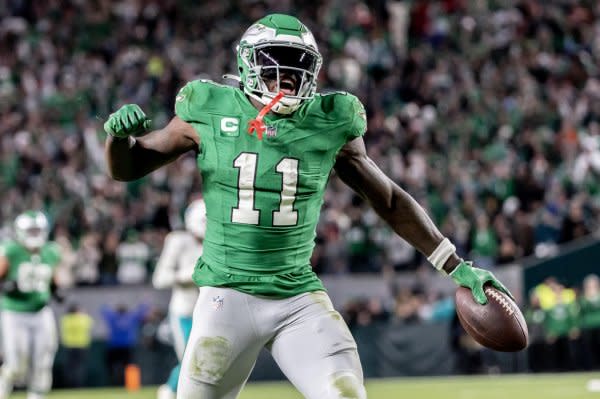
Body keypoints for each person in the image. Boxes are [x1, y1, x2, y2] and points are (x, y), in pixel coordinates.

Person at [104, 13, 512, 399]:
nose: (287, 78)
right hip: (225, 297)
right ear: (248, 65)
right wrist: (118, 141)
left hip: (296, 299)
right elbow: (129, 168)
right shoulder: (210, 108)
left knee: (345, 393)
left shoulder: (330, 120)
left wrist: (455, 265)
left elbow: (387, 198)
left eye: (297, 66)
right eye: (275, 65)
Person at [0, 211, 64, 399]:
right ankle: (3, 384)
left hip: (41, 311)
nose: (35, 235)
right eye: (31, 230)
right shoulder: (11, 250)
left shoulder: (51, 251)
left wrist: (56, 289)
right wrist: (6, 286)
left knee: (44, 362)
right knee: (16, 365)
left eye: (38, 230)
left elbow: (53, 278)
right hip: (15, 312)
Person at [152, 199, 206, 399]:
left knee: (205, 361)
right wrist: (187, 275)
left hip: (209, 312)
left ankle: (170, 390)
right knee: (190, 360)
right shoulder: (178, 240)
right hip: (184, 311)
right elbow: (160, 279)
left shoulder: (216, 242)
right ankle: (169, 391)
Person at [100, 302, 149, 386]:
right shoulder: (131, 317)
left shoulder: (113, 317)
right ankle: (127, 383)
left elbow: (103, 310)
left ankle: (114, 382)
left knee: (111, 366)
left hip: (113, 346)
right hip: (127, 346)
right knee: (128, 366)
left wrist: (105, 302)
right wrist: (145, 301)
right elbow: (142, 311)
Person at [59, 303, 94, 387]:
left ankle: (69, 384)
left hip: (69, 346)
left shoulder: (65, 319)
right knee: (80, 367)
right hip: (81, 345)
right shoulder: (83, 319)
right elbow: (90, 322)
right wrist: (83, 314)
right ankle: (78, 384)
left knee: (70, 367)